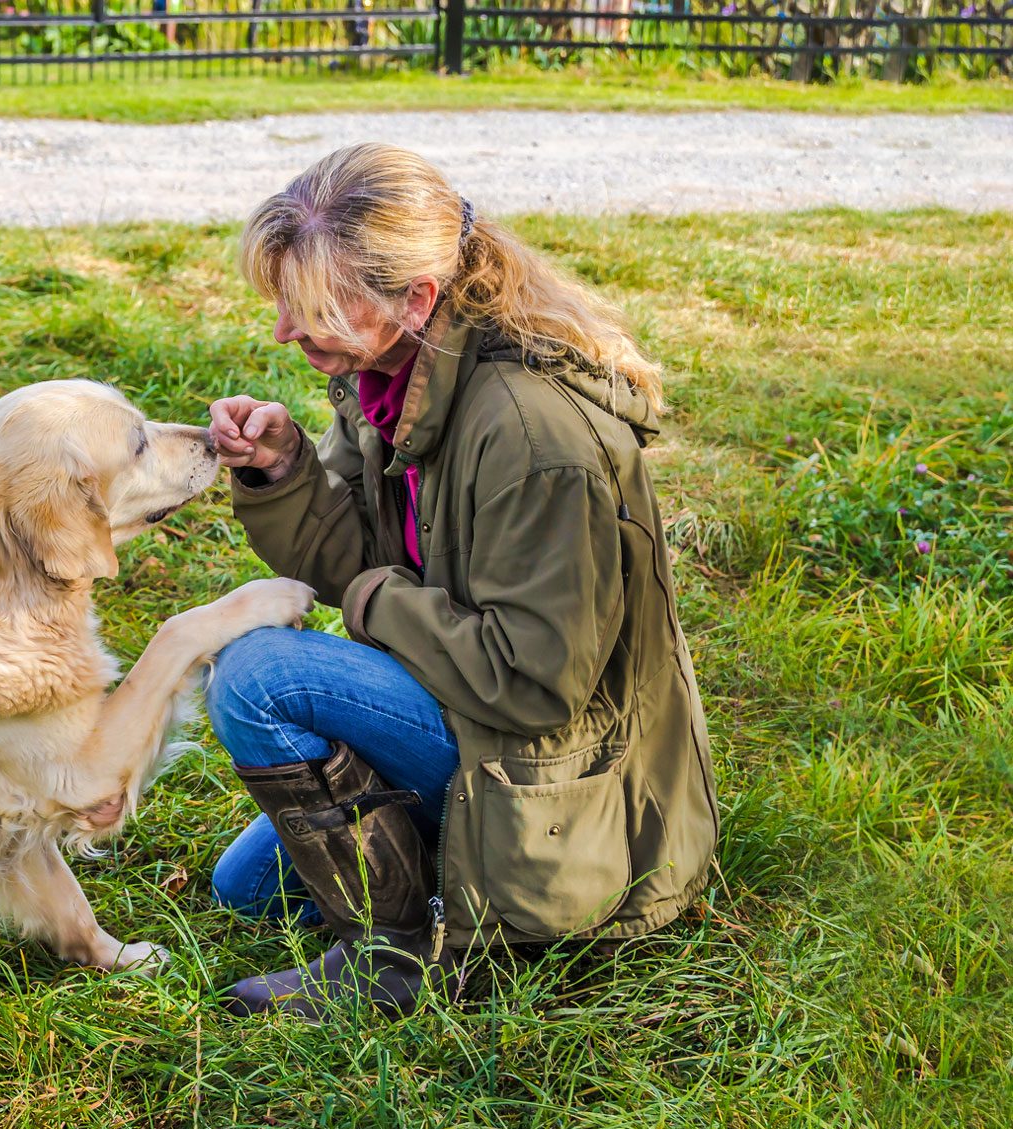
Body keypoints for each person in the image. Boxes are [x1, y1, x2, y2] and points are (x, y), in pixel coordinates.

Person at [205, 143, 718, 1020]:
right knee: (245, 886)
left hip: (560, 782)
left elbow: (533, 680)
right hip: (473, 715)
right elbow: (353, 549)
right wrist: (285, 472)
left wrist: (370, 601)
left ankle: (403, 954)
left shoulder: (532, 435)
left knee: (259, 676)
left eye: (314, 307)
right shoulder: (393, 375)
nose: (286, 332)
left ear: (416, 298)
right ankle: (450, 871)